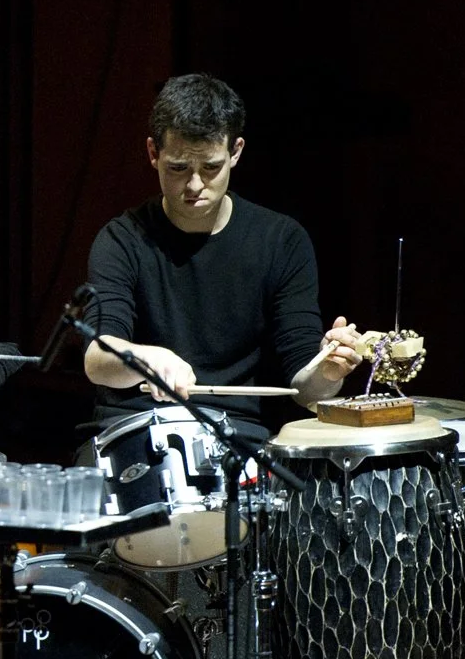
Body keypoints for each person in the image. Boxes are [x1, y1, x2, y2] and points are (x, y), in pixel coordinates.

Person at [81, 73, 363, 434]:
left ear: (236, 151)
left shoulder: (281, 240)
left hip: (236, 437)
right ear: (153, 153)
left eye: (211, 167)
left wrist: (328, 371)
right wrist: (147, 358)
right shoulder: (122, 239)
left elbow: (306, 390)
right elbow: (97, 358)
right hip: (134, 429)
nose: (195, 185)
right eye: (178, 168)